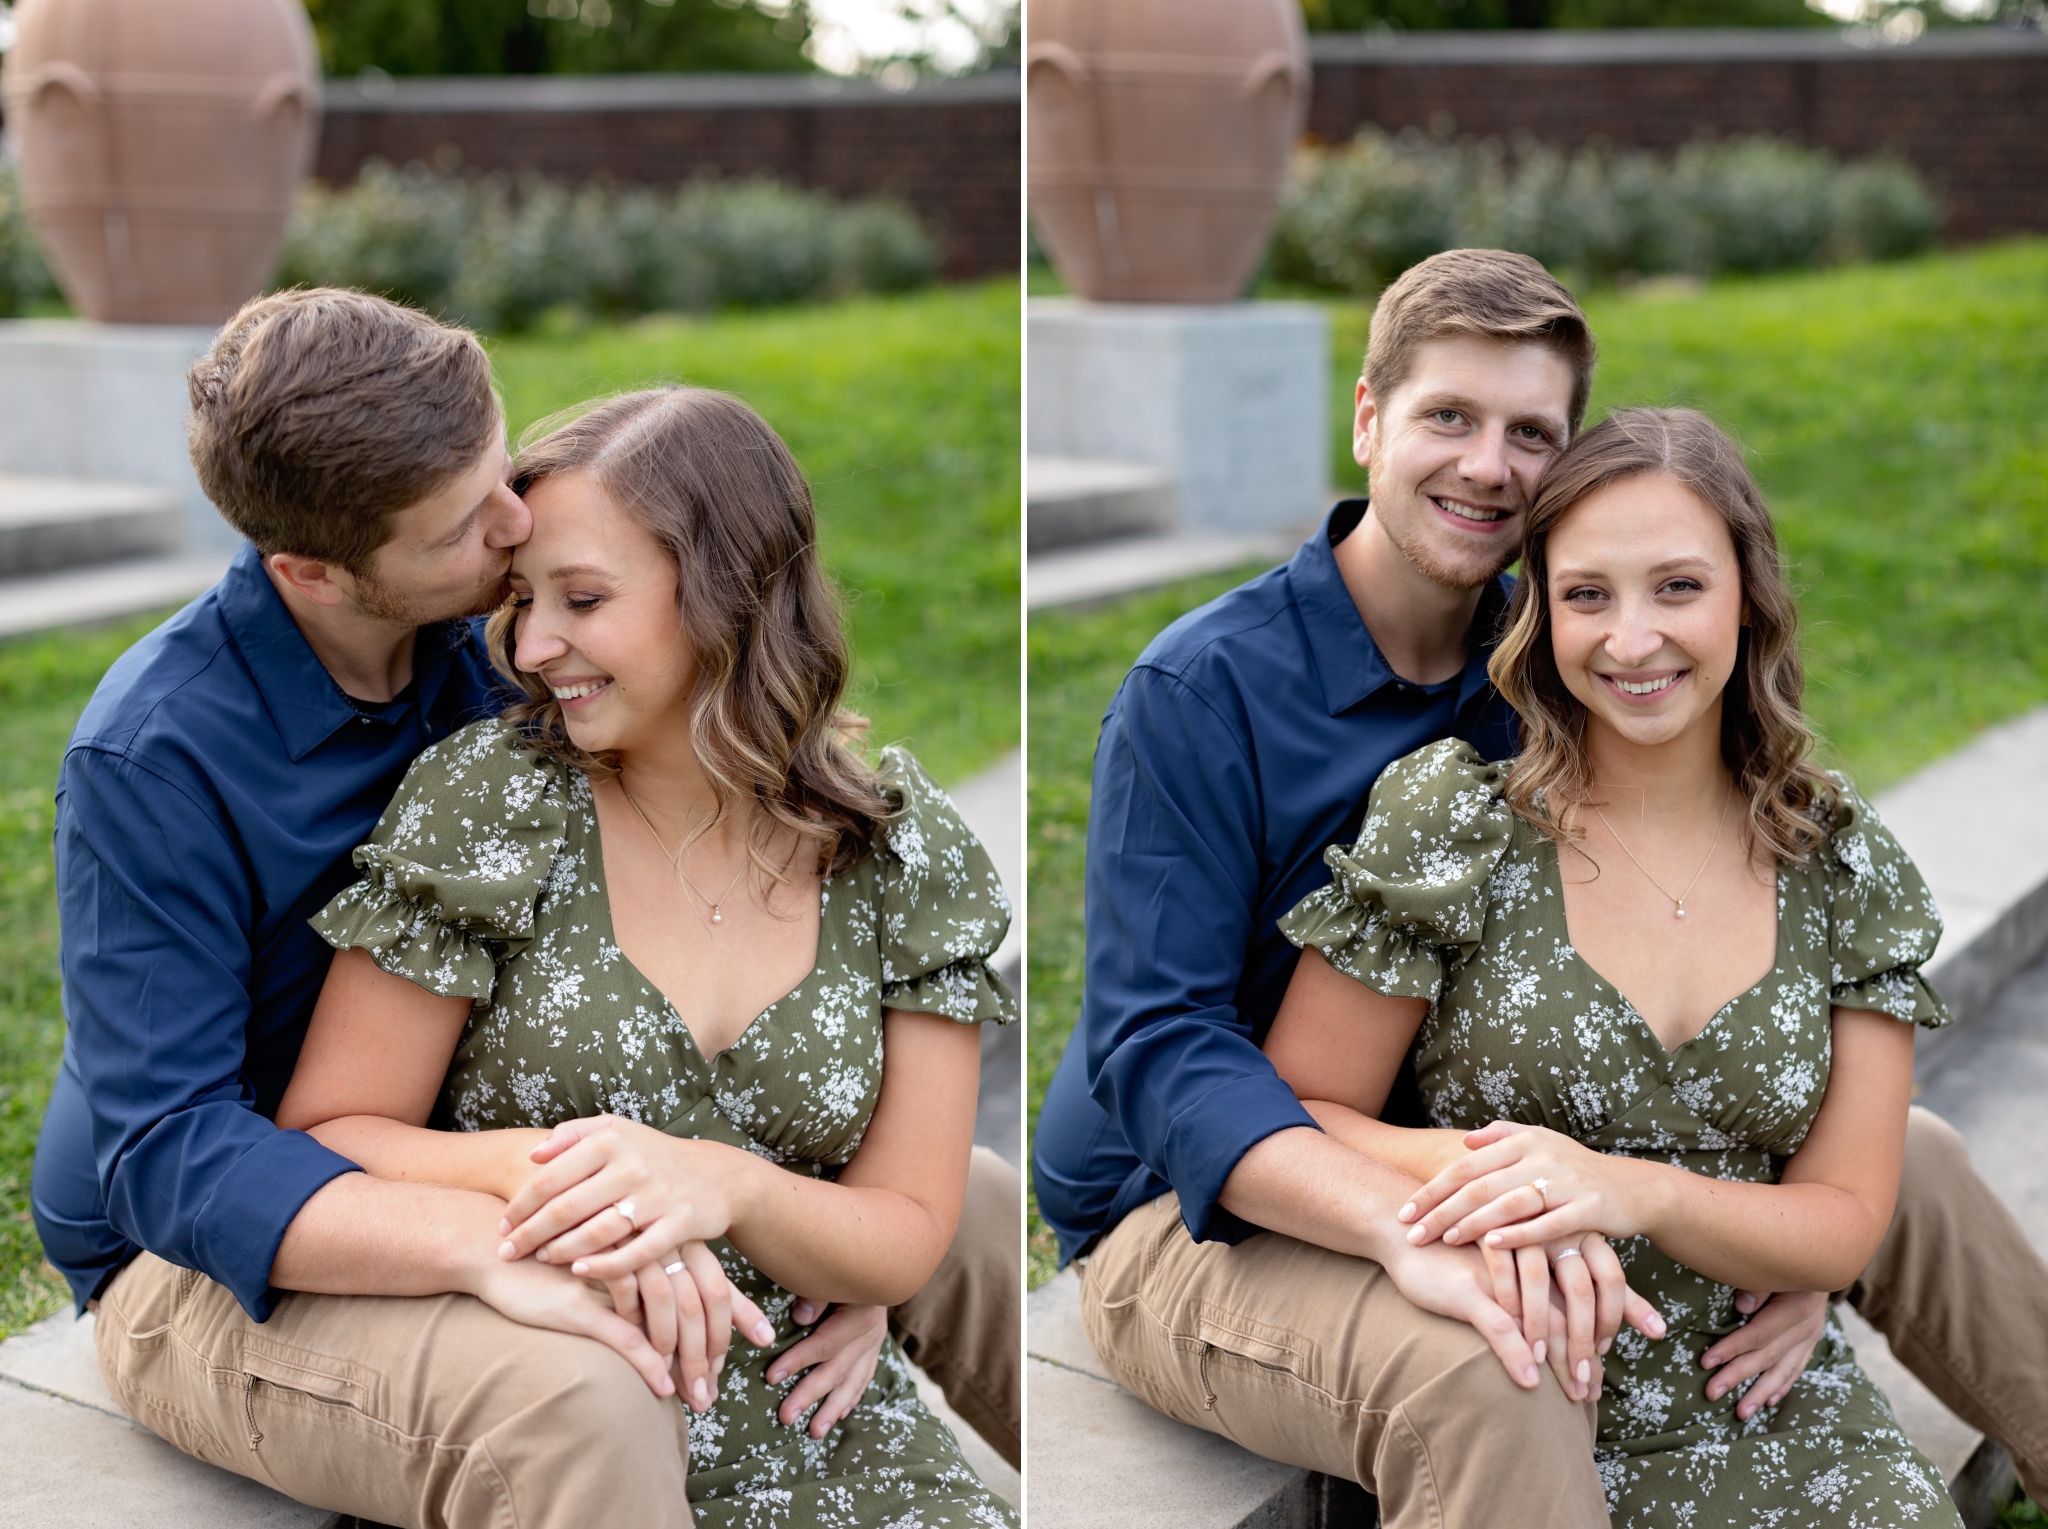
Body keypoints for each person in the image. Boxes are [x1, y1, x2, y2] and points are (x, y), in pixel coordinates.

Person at [1031, 248, 2048, 1527]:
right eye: (1445, 416)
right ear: (1366, 419)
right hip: (1197, 1195)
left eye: (1529, 434)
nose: (1485, 464)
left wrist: (1782, 1242)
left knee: (1910, 1159)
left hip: (1446, 1125)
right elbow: (1163, 1044)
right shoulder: (1203, 689)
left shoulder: (1561, 655)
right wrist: (1409, 1221)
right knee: (1490, 1365)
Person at [33, 288, 1018, 1527]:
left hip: (478, 1140)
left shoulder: (493, 639)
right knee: (587, 1385)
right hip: (219, 1244)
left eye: (502, 475)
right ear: (314, 571)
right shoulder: (155, 758)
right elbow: (169, 1156)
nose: (515, 530)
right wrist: (512, 1243)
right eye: (466, 524)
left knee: (966, 1198)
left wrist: (832, 1237)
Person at [272, 385, 1017, 1527]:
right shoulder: (493, 804)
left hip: (824, 1417)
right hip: (570, 1395)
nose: (531, 644)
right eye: (523, 600)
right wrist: (587, 1175)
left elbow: (910, 1227)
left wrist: (725, 1180)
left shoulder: (899, 847)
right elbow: (330, 1128)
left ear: (724, 597)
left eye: (583, 598)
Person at [1272, 405, 1958, 1524]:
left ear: (1748, 593)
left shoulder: (1841, 862)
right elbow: (1301, 1108)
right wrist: (1517, 1181)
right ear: (1540, 617)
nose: (1630, 640)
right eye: (1587, 595)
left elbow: (1842, 1215)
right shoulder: (1455, 823)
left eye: (1677, 587)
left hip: (1764, 1394)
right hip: (1519, 1391)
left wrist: (1631, 1186)